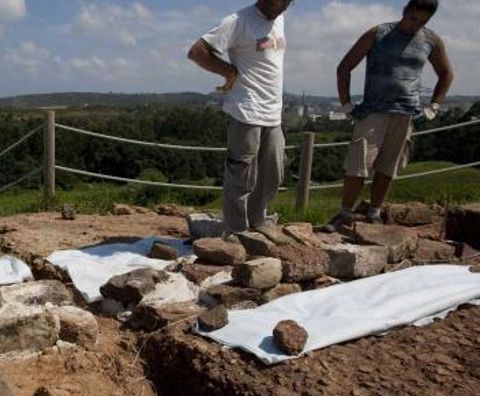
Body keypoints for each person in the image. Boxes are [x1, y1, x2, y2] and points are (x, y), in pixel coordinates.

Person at [323, 0, 454, 231]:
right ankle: (345, 214)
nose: (416, 25)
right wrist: (346, 105)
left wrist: (433, 106)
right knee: (358, 164)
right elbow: (344, 67)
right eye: (413, 19)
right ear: (405, 11)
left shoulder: (430, 40)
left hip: (406, 112)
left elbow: (446, 73)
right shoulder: (379, 33)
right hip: (373, 110)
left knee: (388, 166)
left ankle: (374, 212)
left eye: (423, 21)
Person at [188, 0, 292, 237]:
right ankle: (235, 230)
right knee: (241, 175)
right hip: (246, 109)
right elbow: (198, 51)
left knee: (273, 172)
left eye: (289, 2)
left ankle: (257, 221)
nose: (284, 6)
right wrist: (229, 71)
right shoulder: (238, 21)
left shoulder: (279, 19)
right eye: (281, 1)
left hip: (272, 112)